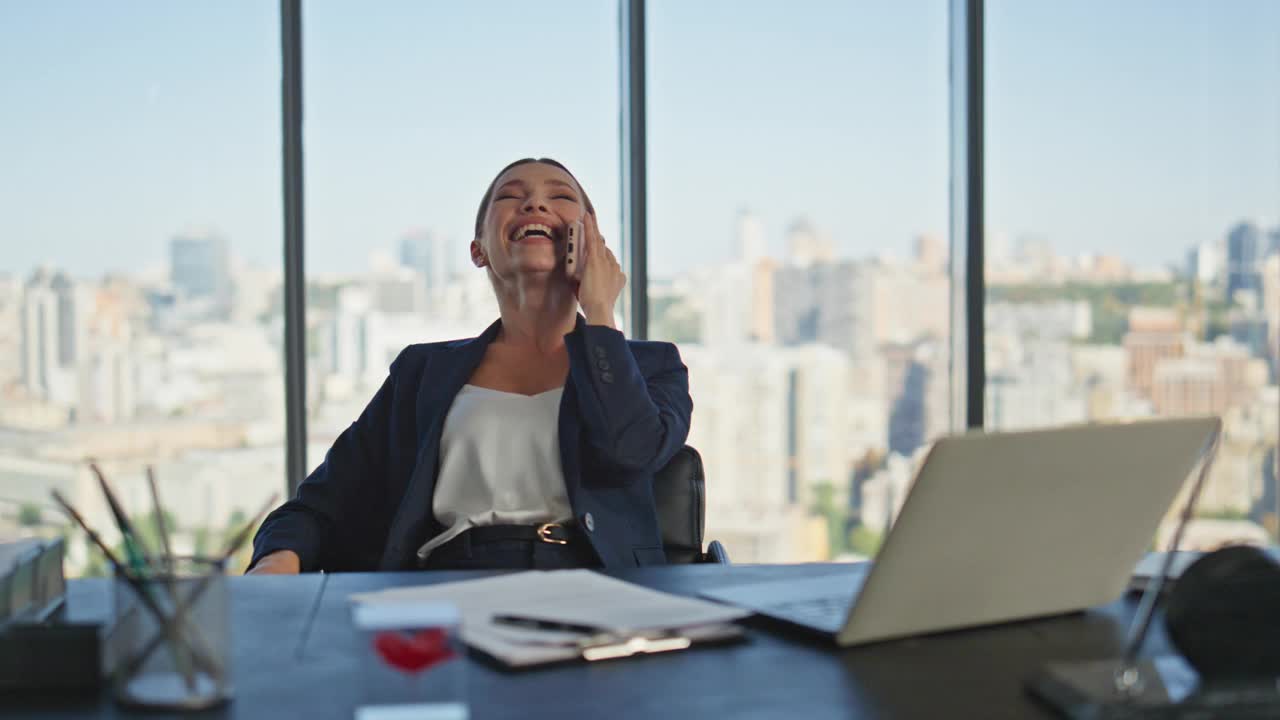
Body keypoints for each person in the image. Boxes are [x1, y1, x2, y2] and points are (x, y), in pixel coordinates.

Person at [248, 158, 692, 573]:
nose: (534, 203)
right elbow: (321, 503)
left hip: (595, 587)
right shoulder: (421, 372)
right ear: (478, 250)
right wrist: (275, 565)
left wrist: (599, 313)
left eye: (560, 197)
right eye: (509, 196)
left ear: (593, 241)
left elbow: (629, 453)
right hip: (445, 585)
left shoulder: (652, 365)